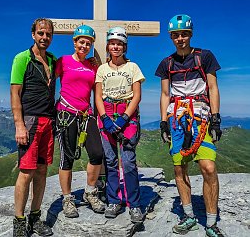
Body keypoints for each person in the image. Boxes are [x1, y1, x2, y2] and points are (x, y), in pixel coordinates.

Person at [155, 14, 224, 236]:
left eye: (184, 34)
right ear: (171, 37)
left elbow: (212, 87)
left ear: (190, 35)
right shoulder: (166, 64)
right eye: (175, 35)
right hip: (177, 120)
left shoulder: (205, 57)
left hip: (201, 118)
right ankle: (189, 216)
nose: (180, 38)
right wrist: (164, 122)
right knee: (179, 168)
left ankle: (211, 222)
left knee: (209, 167)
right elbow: (165, 94)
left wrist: (216, 117)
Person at [10, 18, 56, 237]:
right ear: (33, 34)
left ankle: (35, 217)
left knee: (42, 171)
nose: (44, 37)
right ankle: (19, 222)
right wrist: (19, 125)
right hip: (29, 121)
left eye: (48, 34)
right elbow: (15, 94)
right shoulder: (22, 58)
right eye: (40, 33)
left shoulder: (53, 61)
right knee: (26, 172)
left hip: (49, 121)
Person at [95, 27, 145, 223]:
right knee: (110, 161)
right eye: (113, 43)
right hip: (106, 113)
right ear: (108, 46)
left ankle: (134, 204)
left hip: (127, 116)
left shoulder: (133, 67)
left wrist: (124, 117)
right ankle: (114, 200)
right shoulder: (102, 69)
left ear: (124, 47)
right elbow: (97, 96)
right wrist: (105, 118)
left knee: (128, 162)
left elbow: (137, 95)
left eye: (119, 44)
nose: (116, 47)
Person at [55, 24, 105, 218]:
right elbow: (50, 83)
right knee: (67, 157)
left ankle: (90, 192)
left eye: (88, 43)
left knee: (96, 153)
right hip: (66, 114)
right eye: (81, 42)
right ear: (74, 42)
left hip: (86, 114)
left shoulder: (93, 66)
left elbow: (97, 91)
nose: (84, 45)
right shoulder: (63, 61)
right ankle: (67, 199)